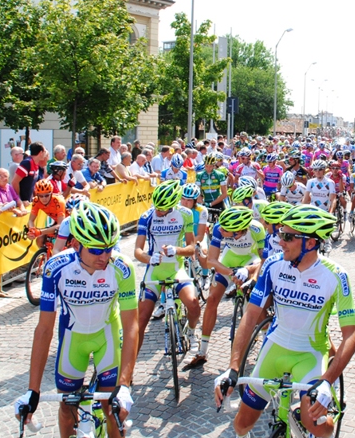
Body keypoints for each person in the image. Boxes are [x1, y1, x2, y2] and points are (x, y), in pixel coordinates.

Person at [214, 205, 355, 438]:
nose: (280, 241)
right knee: (241, 425)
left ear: (310, 243)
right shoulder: (273, 265)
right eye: (281, 233)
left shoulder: (335, 275)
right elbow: (250, 316)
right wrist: (232, 368)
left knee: (322, 430)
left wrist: (327, 381)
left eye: (288, 237)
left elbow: (351, 335)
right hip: (275, 348)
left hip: (309, 354)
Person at [15, 203, 136, 438]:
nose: (104, 256)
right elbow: (44, 330)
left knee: (112, 409)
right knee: (67, 407)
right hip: (73, 340)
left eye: (109, 248)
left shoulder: (122, 268)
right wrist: (33, 390)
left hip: (107, 337)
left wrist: (125, 384)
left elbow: (131, 325)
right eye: (96, 250)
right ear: (75, 244)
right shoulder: (56, 269)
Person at [189, 206, 265, 368]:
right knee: (212, 299)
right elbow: (212, 261)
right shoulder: (219, 228)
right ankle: (202, 350)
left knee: (256, 300)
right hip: (229, 261)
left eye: (227, 230)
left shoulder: (257, 229)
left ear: (239, 231)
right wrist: (232, 273)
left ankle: (265, 344)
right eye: (221, 228)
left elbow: (263, 261)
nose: (221, 231)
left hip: (251, 261)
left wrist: (250, 273)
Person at [133, 180, 200, 352]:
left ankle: (192, 332)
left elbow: (191, 248)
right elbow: (137, 250)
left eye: (163, 209)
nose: (158, 211)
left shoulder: (185, 214)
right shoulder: (147, 217)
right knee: (141, 321)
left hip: (176, 269)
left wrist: (176, 250)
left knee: (193, 304)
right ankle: (129, 371)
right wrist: (149, 259)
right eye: (157, 207)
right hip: (154, 272)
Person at [25, 180, 66, 249]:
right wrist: (32, 230)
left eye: (47, 195)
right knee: (40, 240)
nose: (44, 198)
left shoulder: (59, 201)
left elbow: (60, 225)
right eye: (41, 196)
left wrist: (40, 232)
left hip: (66, 222)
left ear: (51, 193)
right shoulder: (36, 200)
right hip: (57, 222)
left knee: (62, 246)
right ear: (37, 195)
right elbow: (31, 220)